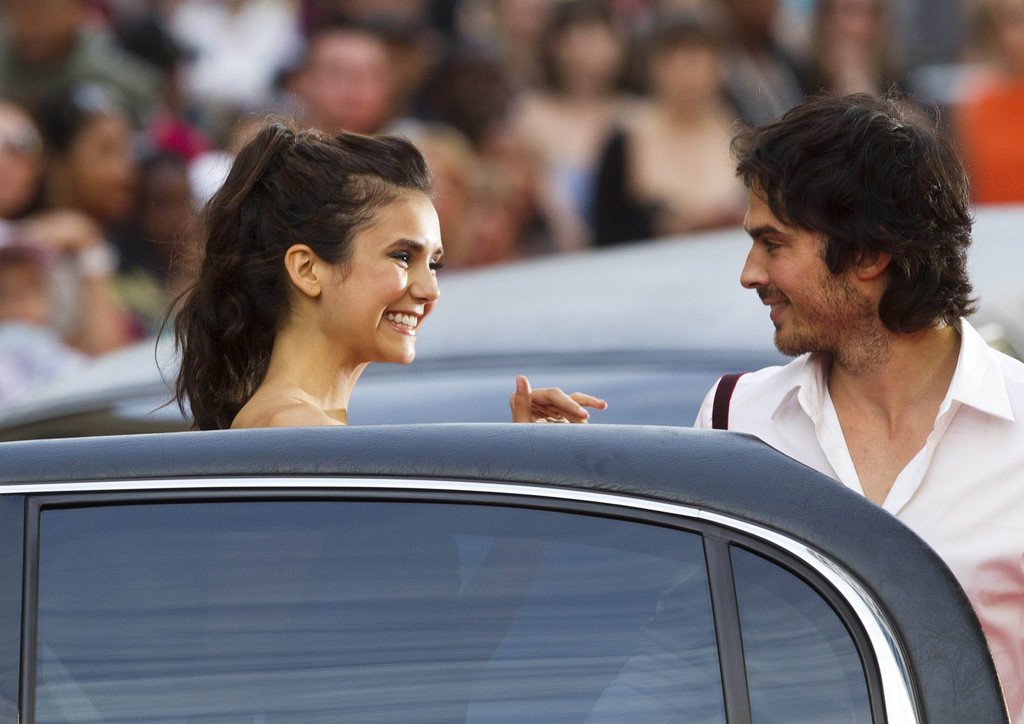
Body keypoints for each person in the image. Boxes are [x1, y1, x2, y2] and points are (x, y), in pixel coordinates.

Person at [693, 93, 1024, 719]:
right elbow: (683, 660)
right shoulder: (735, 418)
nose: (749, 273)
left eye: (773, 244)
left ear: (868, 254)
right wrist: (564, 463)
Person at [173, 121, 606, 429]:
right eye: (402, 257)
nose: (431, 289)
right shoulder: (294, 427)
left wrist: (525, 457)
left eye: (434, 263)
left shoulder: (299, 423)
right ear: (307, 270)